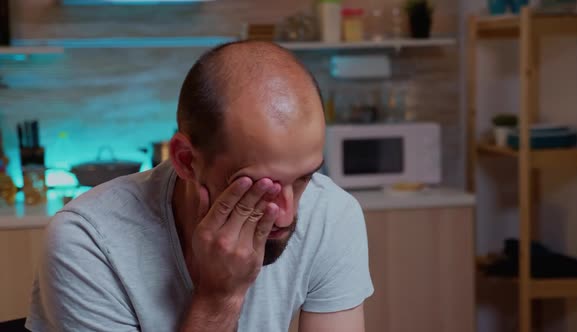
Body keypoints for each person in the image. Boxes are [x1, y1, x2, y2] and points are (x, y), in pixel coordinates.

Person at [25, 41, 373, 332]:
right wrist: (220, 297)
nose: (286, 214)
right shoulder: (87, 242)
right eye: (259, 186)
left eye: (304, 178)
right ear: (187, 160)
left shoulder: (331, 213)